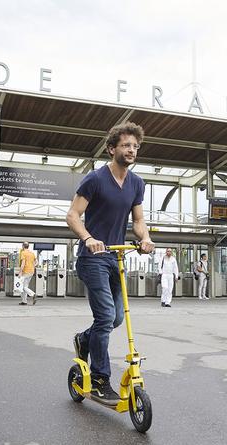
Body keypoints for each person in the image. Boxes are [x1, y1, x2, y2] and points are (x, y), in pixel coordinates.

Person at [66, 121, 155, 405]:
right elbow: (72, 215)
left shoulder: (136, 183)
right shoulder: (95, 179)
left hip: (116, 258)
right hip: (92, 258)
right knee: (106, 316)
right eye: (126, 145)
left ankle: (84, 339)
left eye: (135, 147)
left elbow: (138, 221)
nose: (132, 150)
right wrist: (88, 238)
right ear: (112, 148)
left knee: (116, 318)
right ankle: (100, 379)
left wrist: (145, 239)